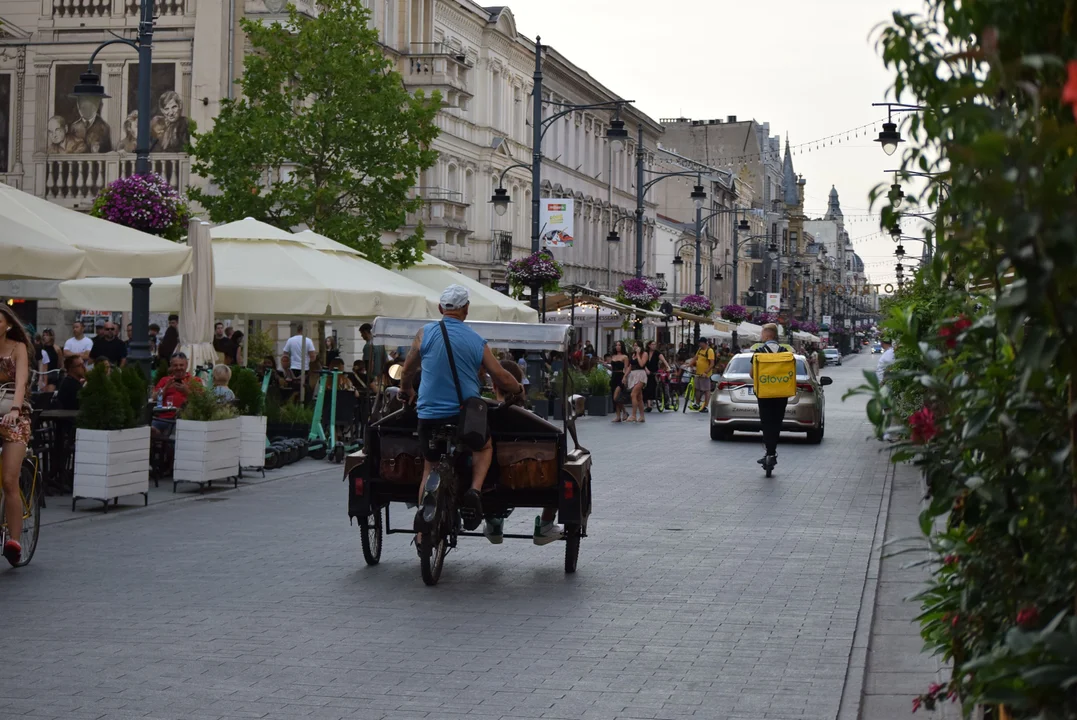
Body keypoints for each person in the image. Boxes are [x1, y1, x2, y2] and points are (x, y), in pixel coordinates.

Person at [399, 285, 525, 537]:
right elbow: (499, 375)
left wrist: (407, 392)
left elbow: (407, 372)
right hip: (464, 416)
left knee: (430, 467)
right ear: (466, 309)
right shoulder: (476, 341)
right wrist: (518, 387)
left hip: (428, 414)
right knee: (484, 446)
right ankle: (474, 491)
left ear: (440, 309)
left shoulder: (424, 334)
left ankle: (423, 533)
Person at [481, 360, 563, 546]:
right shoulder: (531, 419)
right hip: (529, 477)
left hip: (489, 480)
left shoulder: (484, 414)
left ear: (494, 385)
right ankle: (545, 523)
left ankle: (492, 522)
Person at [0, 305, 33, 566]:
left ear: (8, 324)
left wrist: (15, 409)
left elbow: (20, 382)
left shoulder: (17, 347)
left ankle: (14, 541)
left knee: (9, 480)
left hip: (12, 413)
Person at [750, 323, 796, 469]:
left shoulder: (759, 351)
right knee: (777, 423)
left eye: (762, 333)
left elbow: (752, 374)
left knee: (766, 423)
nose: (761, 336)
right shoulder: (785, 351)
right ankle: (772, 452)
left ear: (768, 335)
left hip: (764, 393)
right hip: (781, 393)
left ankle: (769, 453)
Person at [151, 352, 200, 437]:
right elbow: (155, 398)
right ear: (171, 366)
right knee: (149, 431)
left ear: (186, 365)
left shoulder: (195, 380)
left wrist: (186, 391)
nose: (178, 368)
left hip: (183, 419)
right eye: (175, 365)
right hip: (163, 417)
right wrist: (166, 387)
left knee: (175, 433)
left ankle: (166, 441)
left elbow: (201, 401)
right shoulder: (165, 380)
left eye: (181, 365)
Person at [625, 341, 649, 423]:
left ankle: (633, 415)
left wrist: (638, 354)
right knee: (639, 397)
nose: (635, 347)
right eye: (634, 345)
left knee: (633, 394)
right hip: (633, 374)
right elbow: (630, 366)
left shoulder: (644, 354)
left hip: (640, 374)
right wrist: (625, 376)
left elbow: (642, 364)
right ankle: (642, 416)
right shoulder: (633, 355)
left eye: (636, 345)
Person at [643, 340, 671, 412]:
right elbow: (643, 363)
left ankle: (663, 401)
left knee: (656, 386)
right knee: (647, 388)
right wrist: (646, 369)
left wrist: (668, 367)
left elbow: (664, 361)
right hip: (646, 372)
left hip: (654, 372)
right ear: (649, 345)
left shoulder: (657, 353)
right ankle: (648, 405)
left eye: (655, 344)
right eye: (652, 344)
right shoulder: (645, 352)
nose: (654, 346)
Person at [690, 337, 716, 411]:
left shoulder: (709, 351)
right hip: (698, 373)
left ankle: (706, 406)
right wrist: (689, 364)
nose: (699, 344)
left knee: (706, 390)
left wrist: (706, 372)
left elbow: (712, 364)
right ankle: (697, 404)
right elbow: (695, 358)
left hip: (705, 375)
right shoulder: (700, 350)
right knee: (697, 389)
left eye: (700, 343)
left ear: (704, 343)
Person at [609, 340, 629, 422]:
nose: (617, 347)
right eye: (616, 345)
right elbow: (612, 368)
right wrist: (604, 364)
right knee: (615, 398)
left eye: (619, 345)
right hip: (613, 376)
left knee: (616, 397)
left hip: (621, 376)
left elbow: (626, 368)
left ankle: (624, 412)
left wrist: (625, 377)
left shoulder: (625, 357)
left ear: (622, 346)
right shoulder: (613, 356)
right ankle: (618, 416)